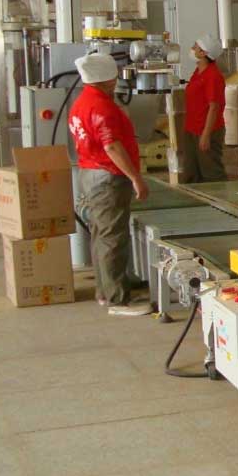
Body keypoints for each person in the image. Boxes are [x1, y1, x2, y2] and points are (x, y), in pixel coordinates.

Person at [67, 52, 151, 317]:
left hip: (89, 173)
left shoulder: (81, 102)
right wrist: (135, 178)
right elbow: (112, 146)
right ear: (108, 79)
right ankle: (118, 300)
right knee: (113, 238)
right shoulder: (101, 107)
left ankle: (105, 291)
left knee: (100, 235)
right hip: (107, 176)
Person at [180, 34, 227, 183]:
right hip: (192, 128)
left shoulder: (213, 76)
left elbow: (214, 107)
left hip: (207, 130)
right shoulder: (198, 72)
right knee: (190, 173)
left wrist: (206, 135)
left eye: (195, 47)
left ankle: (219, 196)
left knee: (211, 173)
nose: (192, 49)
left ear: (204, 53)